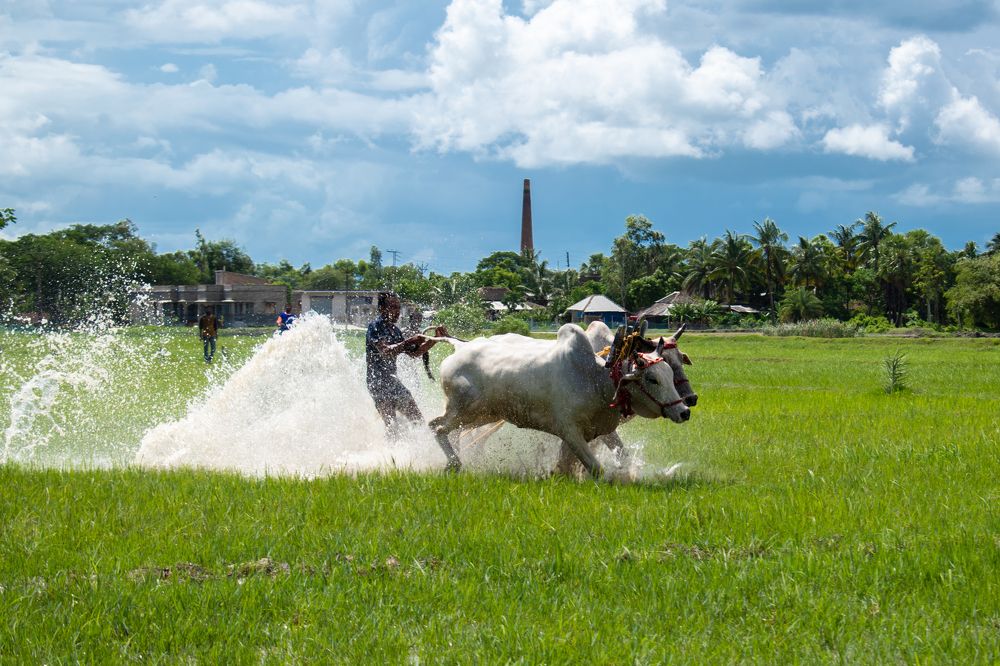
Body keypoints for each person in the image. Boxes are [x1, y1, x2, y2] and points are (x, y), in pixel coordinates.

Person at [365, 292, 437, 437]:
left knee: (417, 419)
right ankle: (390, 456)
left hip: (393, 382)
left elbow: (414, 353)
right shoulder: (375, 326)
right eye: (392, 307)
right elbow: (385, 351)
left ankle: (419, 451)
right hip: (377, 383)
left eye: (398, 307)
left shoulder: (395, 330)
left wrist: (434, 339)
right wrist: (409, 342)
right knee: (392, 426)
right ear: (382, 309)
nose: (397, 311)